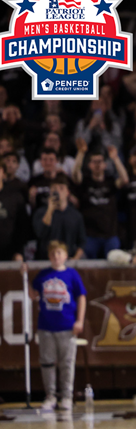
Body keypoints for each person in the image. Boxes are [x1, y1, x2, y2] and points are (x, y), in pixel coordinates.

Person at [21, 242, 86, 412]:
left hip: (67, 326)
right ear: (49, 257)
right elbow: (32, 295)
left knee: (67, 363)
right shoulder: (43, 275)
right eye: (52, 254)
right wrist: (25, 278)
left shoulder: (72, 274)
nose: (56, 257)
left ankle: (66, 396)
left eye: (59, 253)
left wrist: (79, 320)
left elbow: (81, 297)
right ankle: (50, 396)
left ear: (65, 255)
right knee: (47, 363)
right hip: (46, 327)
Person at [72, 141, 129, 259]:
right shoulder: (86, 183)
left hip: (110, 235)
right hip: (90, 235)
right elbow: (75, 175)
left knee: (115, 263)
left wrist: (115, 158)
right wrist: (81, 153)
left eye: (100, 161)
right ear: (89, 165)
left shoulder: (110, 182)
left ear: (105, 165)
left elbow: (124, 180)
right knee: (87, 267)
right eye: (94, 162)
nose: (97, 164)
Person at [33, 175, 86, 261]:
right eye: (54, 188)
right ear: (50, 192)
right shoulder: (41, 212)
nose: (57, 191)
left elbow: (82, 242)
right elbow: (40, 233)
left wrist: (75, 259)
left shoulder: (76, 215)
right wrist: (50, 210)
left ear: (67, 192)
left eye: (61, 188)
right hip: (45, 260)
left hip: (68, 260)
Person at [0, 160, 28, 261]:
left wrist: (18, 252)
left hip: (10, 253)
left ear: (3, 173)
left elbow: (22, 226)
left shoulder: (15, 197)